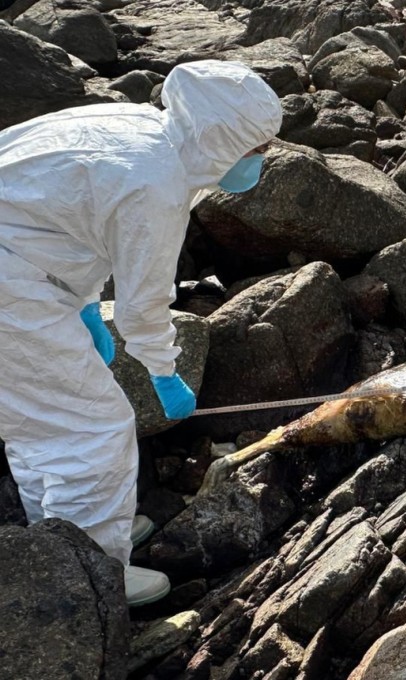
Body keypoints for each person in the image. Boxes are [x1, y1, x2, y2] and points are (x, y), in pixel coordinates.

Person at [0, 60, 282, 606]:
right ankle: (95, 576)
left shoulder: (138, 127)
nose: (262, 159)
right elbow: (144, 303)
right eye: (256, 147)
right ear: (220, 139)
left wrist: (81, 306)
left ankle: (69, 538)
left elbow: (62, 213)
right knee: (94, 429)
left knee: (41, 423)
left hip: (24, 268)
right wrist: (163, 370)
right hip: (12, 287)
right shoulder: (155, 183)